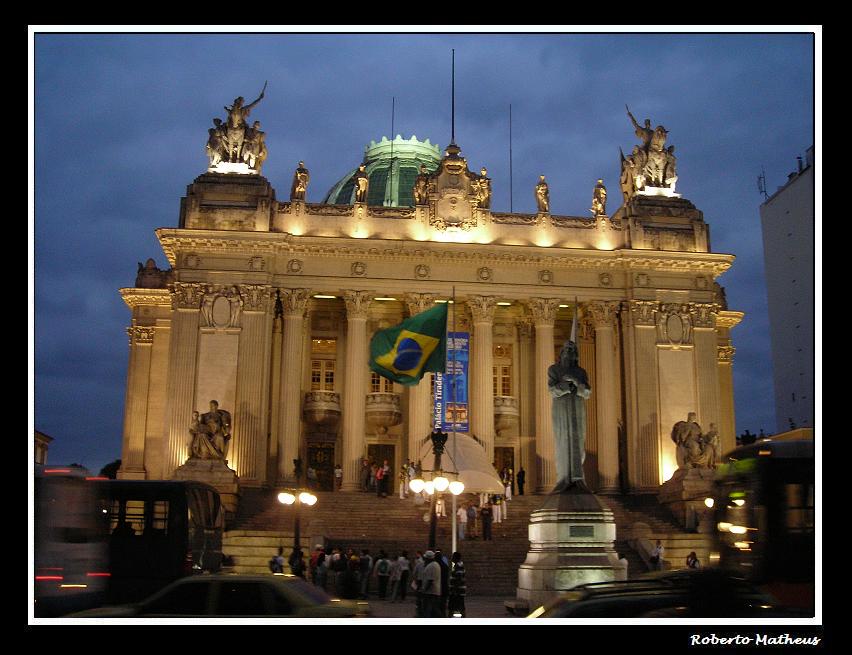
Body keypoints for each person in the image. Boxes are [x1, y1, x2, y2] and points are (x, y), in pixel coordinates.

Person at [548, 340, 592, 492]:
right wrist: (566, 386)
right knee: (562, 441)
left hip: (577, 409)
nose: (569, 352)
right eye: (566, 349)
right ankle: (563, 478)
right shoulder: (554, 369)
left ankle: (578, 478)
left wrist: (574, 381)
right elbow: (552, 390)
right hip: (561, 409)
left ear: (575, 355)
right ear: (561, 353)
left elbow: (587, 392)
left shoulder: (581, 372)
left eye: (572, 350)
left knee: (578, 441)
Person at [421, 551, 441, 617]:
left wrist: (424, 590)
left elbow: (430, 580)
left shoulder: (431, 566)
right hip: (434, 591)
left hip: (431, 592)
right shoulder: (435, 565)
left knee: (428, 610)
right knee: (434, 610)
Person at [448, 551, 467, 618]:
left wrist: (454, 591)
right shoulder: (459, 565)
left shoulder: (458, 566)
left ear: (456, 558)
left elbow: (458, 579)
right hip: (459, 591)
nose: (451, 558)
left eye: (453, 557)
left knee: (452, 608)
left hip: (457, 591)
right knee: (460, 607)